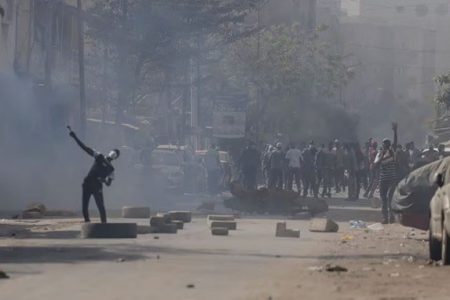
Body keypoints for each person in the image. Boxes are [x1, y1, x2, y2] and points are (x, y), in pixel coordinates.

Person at [69, 128, 120, 223]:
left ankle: (102, 225)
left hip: (94, 185)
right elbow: (85, 148)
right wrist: (75, 137)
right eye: (115, 152)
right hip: (89, 184)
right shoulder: (100, 157)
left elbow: (108, 184)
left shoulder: (110, 167)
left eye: (115, 153)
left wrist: (103, 180)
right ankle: (89, 224)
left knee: (99, 207)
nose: (113, 154)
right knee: (87, 206)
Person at [374, 122, 398, 224]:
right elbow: (376, 165)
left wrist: (395, 131)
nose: (386, 146)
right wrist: (381, 155)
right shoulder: (380, 154)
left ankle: (391, 216)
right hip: (383, 179)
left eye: (387, 144)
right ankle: (385, 217)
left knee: (389, 197)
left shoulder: (392, 151)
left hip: (391, 178)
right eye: (384, 144)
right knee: (383, 198)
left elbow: (395, 142)